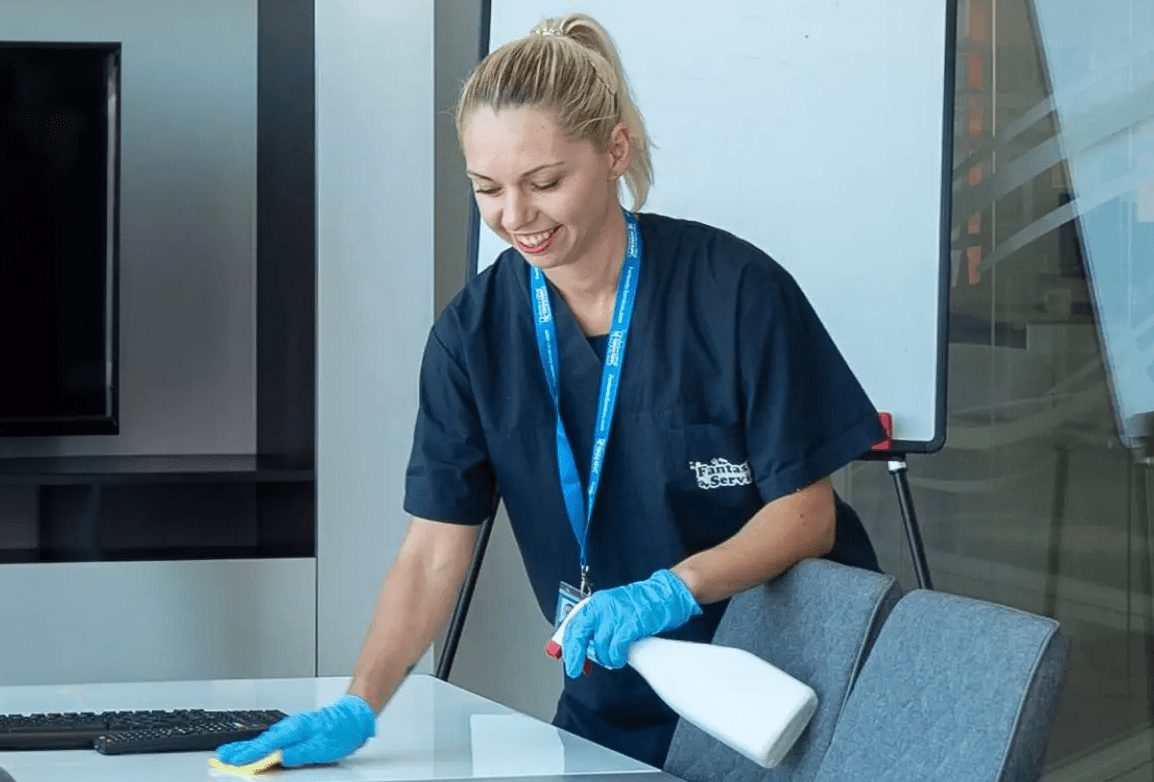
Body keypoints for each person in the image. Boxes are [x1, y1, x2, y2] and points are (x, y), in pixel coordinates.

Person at [217, 11, 886, 771]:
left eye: (544, 183)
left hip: (790, 698)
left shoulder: (735, 292)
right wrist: (359, 703)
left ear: (614, 151)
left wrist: (672, 589)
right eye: (488, 189)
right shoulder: (474, 339)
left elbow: (806, 515)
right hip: (618, 701)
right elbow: (434, 551)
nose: (516, 217)